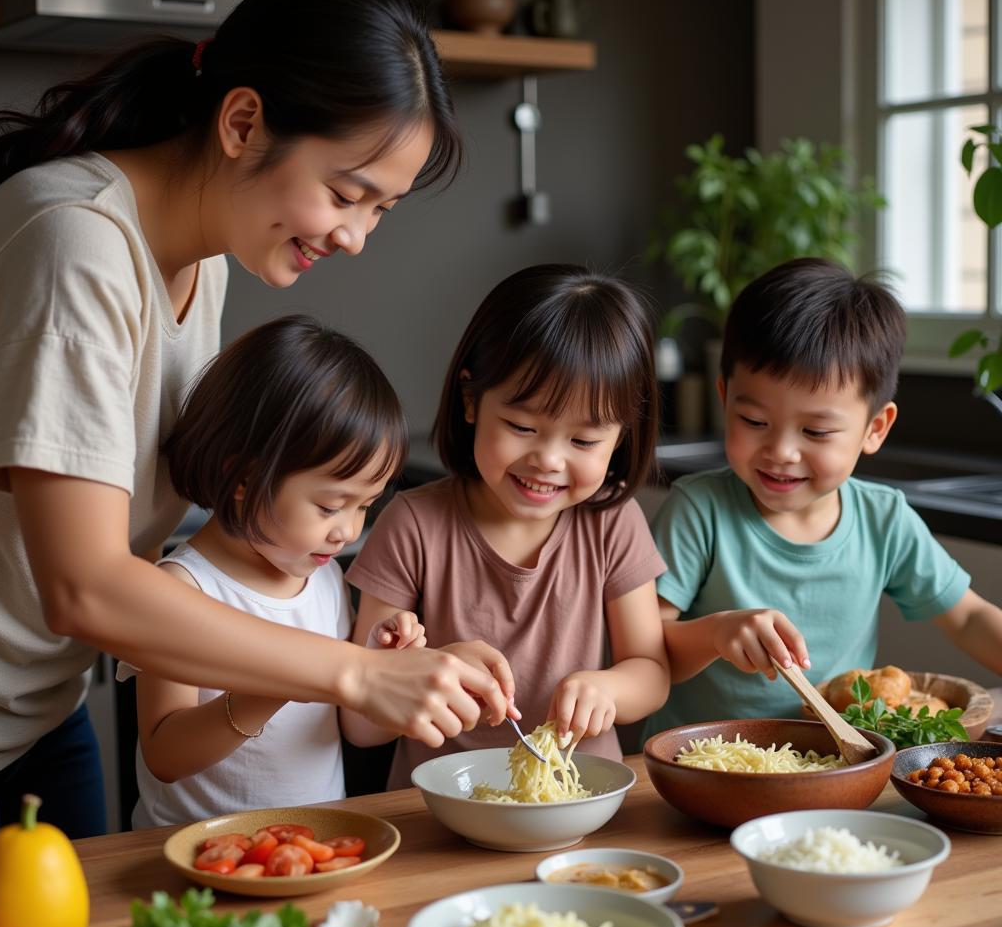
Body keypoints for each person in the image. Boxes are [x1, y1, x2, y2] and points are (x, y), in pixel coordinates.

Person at [0, 0, 510, 847]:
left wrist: (374, 658)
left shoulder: (209, 258)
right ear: (241, 124)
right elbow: (83, 585)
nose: (355, 237)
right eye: (345, 194)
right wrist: (352, 675)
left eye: (380, 208)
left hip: (38, 706)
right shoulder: (74, 248)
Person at [343, 264, 671, 790]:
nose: (548, 460)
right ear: (471, 401)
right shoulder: (413, 524)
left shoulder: (613, 522)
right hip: (437, 811)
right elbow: (361, 727)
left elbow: (650, 674)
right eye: (522, 427)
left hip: (577, 800)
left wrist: (606, 688)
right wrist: (419, 671)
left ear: (620, 438)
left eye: (583, 442)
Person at [644, 258, 1002, 739]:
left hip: (835, 769)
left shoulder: (883, 519)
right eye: (753, 421)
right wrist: (715, 633)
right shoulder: (698, 512)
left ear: (875, 428)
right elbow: (645, 655)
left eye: (815, 430)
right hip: (702, 769)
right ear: (724, 397)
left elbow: (969, 618)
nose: (781, 452)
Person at [120, 316, 432, 827]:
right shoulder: (181, 589)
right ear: (243, 479)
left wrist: (384, 669)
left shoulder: (325, 579)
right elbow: (164, 755)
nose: (348, 532)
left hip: (313, 851)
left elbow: (357, 732)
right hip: (198, 861)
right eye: (331, 506)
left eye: (366, 507)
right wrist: (277, 682)